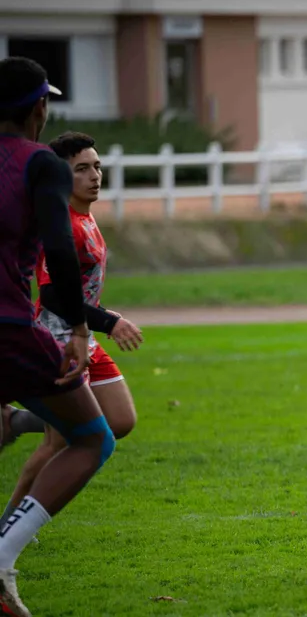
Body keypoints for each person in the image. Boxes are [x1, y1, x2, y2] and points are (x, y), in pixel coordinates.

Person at [0, 56, 116, 617]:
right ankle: (2, 555)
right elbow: (59, 251)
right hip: (11, 329)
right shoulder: (39, 163)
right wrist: (79, 327)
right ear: (39, 107)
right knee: (93, 438)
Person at [0, 131, 143, 528]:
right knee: (60, 441)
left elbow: (79, 291)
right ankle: (9, 527)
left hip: (84, 336)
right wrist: (109, 321)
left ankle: (16, 422)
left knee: (120, 420)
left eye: (97, 166)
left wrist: (101, 318)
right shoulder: (62, 222)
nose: (94, 175)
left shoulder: (86, 217)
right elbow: (53, 297)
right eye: (81, 169)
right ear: (62, 176)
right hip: (58, 340)